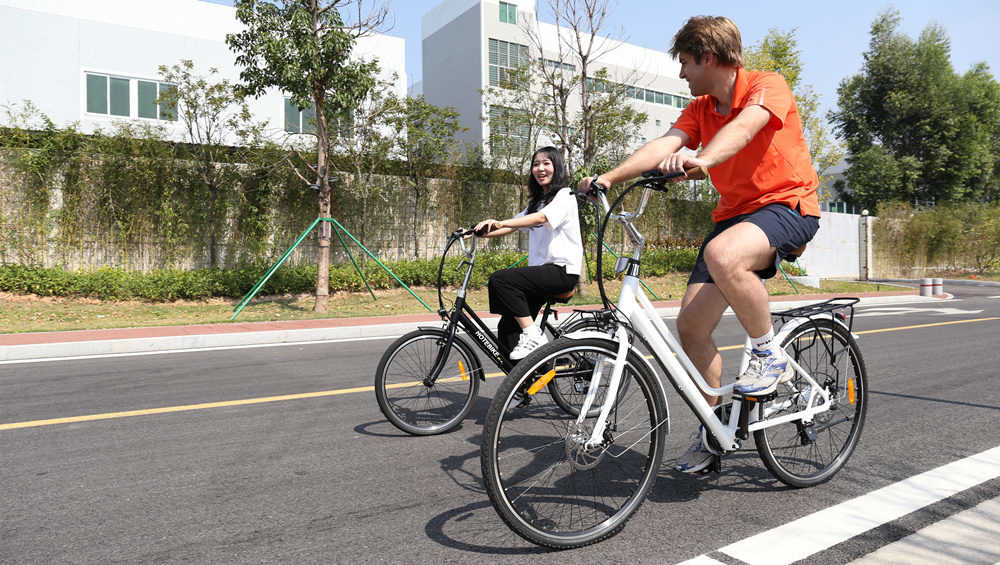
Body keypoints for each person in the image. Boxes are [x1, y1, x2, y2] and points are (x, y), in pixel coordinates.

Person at [578, 16, 821, 474]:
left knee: (723, 254)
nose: (682, 73)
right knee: (690, 327)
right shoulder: (701, 109)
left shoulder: (766, 85)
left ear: (709, 58)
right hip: (735, 216)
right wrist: (608, 178)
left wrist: (703, 159)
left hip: (788, 205)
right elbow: (665, 143)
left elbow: (748, 126)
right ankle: (715, 432)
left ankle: (769, 356)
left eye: (686, 63)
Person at [474, 146, 584, 362]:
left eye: (546, 163)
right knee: (507, 330)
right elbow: (513, 226)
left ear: (557, 168)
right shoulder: (536, 203)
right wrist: (472, 233)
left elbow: (541, 219)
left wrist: (500, 222)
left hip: (562, 271)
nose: (540, 168)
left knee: (501, 280)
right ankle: (523, 388)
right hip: (542, 273)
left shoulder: (565, 195)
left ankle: (534, 335)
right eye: (536, 164)